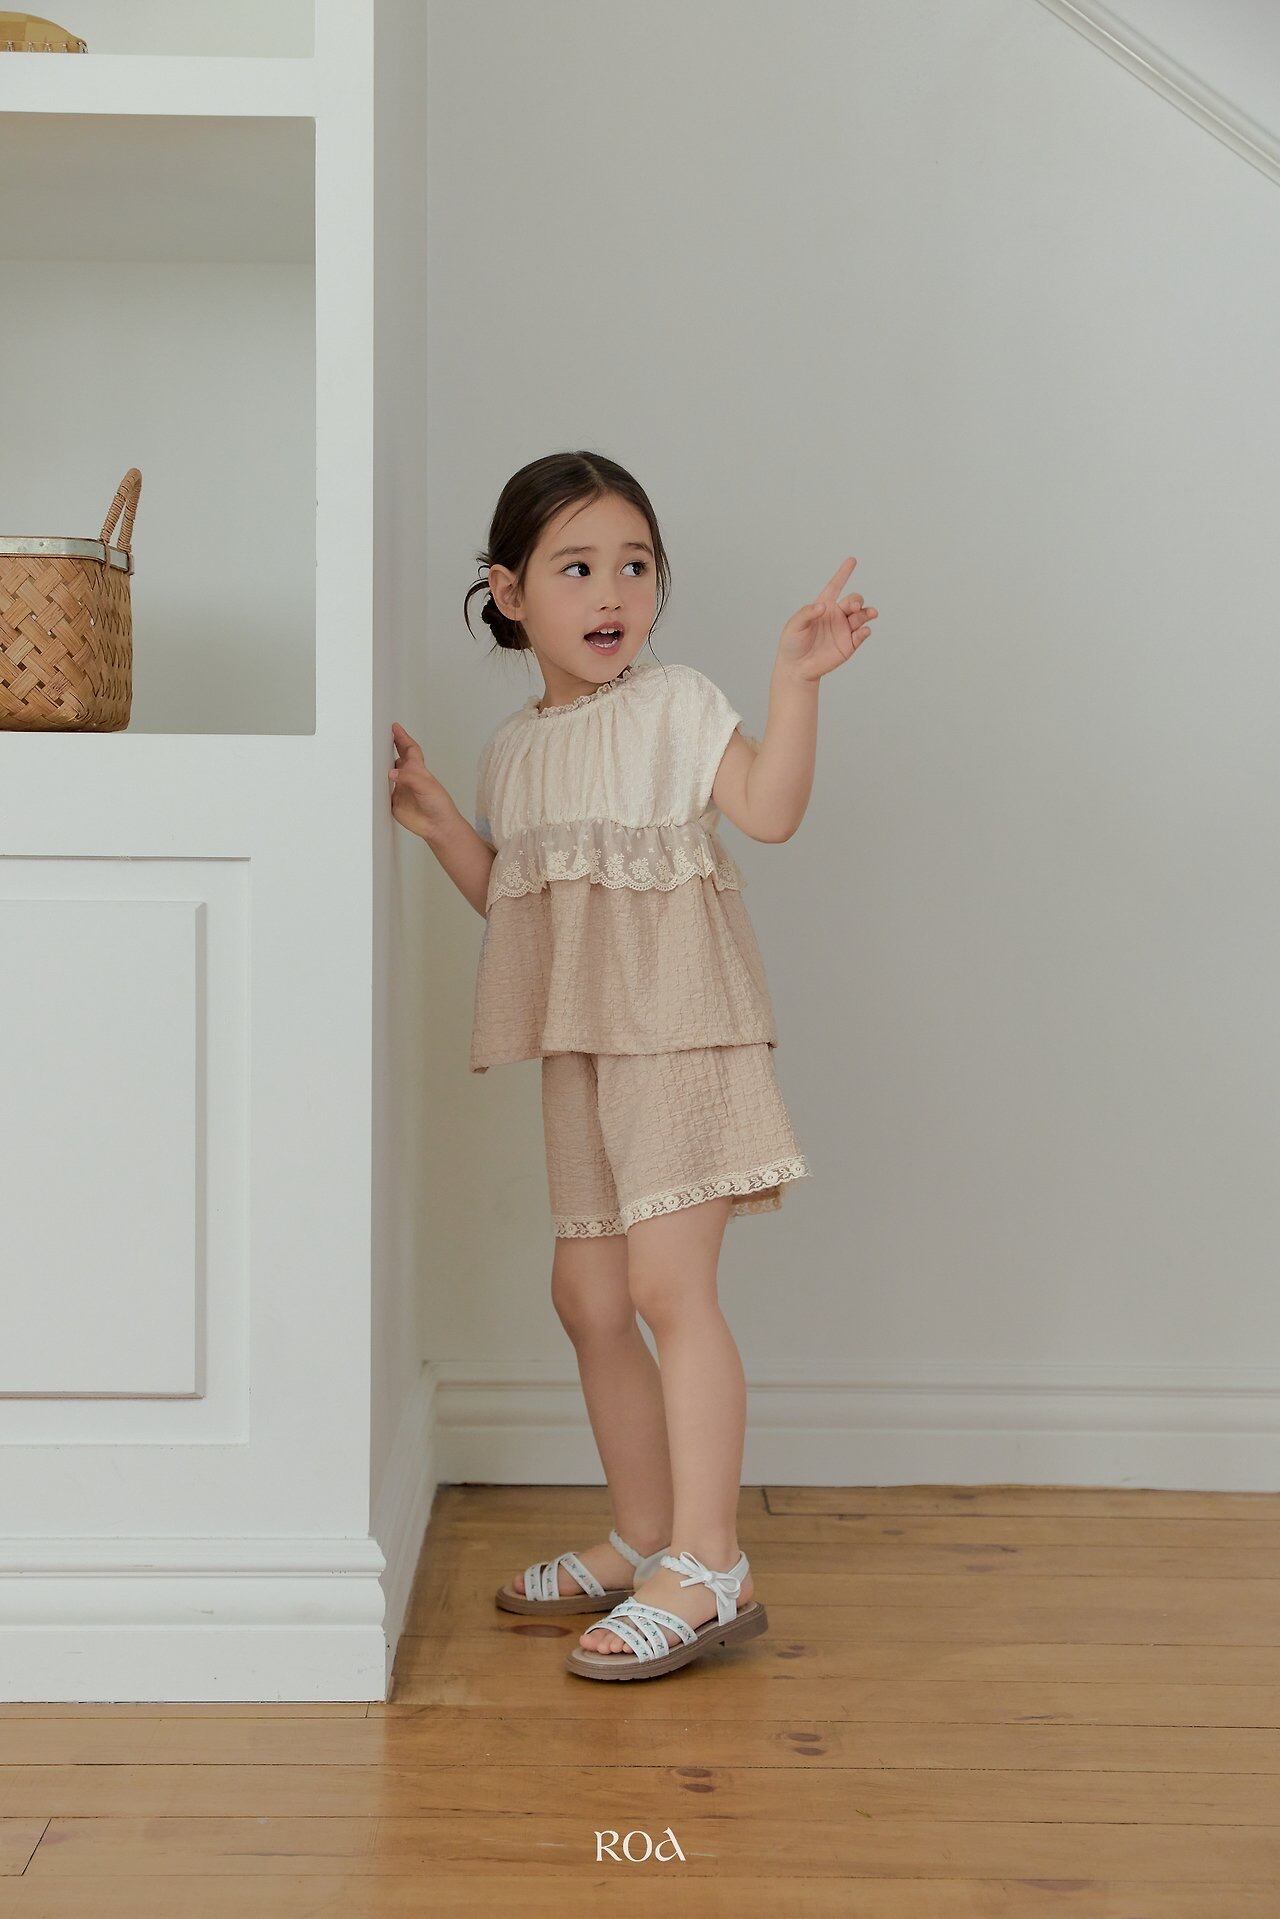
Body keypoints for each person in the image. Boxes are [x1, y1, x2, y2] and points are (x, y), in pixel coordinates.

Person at [389, 450, 877, 1681]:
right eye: (575, 567)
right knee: (588, 1295)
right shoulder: (513, 750)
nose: (611, 591)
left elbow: (768, 807)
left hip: (680, 1027)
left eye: (634, 564)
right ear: (509, 592)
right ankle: (645, 1534)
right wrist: (444, 821)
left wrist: (793, 680)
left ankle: (709, 1562)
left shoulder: (675, 707)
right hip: (586, 1045)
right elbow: (525, 909)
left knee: (666, 1285)